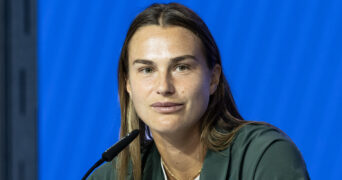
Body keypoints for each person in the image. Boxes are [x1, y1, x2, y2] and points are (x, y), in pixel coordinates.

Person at [89, 2, 309, 180]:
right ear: (128, 83)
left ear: (213, 78)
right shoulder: (112, 176)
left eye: (181, 67)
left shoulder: (264, 156)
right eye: (147, 69)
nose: (164, 87)